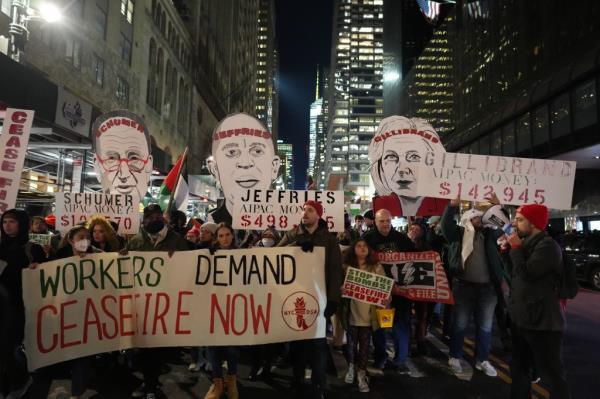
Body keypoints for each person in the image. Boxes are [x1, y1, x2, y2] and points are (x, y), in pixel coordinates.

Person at [278, 200, 343, 399]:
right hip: (295, 296)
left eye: (310, 210)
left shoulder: (329, 240)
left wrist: (333, 300)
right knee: (297, 345)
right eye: (304, 210)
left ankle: (319, 385)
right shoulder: (292, 234)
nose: (305, 213)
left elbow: (334, 270)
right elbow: (275, 255)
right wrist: (295, 246)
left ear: (319, 215)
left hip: (320, 299)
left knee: (318, 346)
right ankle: (297, 380)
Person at [125, 204, 189, 399]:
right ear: (144, 220)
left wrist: (178, 259)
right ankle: (149, 380)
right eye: (149, 217)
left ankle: (151, 385)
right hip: (141, 304)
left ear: (163, 217)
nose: (153, 220)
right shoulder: (135, 242)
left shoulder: (177, 241)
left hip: (165, 305)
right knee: (141, 348)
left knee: (157, 348)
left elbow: (189, 266)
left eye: (156, 216)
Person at [507, 204, 570, 398]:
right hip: (523, 320)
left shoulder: (548, 246)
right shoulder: (527, 242)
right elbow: (514, 274)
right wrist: (507, 251)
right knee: (519, 371)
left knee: (551, 376)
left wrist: (516, 248)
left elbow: (528, 273)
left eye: (520, 220)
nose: (515, 223)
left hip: (543, 324)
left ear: (533, 223)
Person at [29, 226, 101, 399]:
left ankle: (77, 392)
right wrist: (37, 268)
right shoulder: (60, 256)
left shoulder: (99, 257)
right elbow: (48, 274)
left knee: (82, 354)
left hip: (87, 312)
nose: (85, 240)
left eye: (88, 237)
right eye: (81, 237)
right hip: (63, 313)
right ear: (71, 240)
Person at [440, 196, 506, 378]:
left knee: (485, 327)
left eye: (482, 217)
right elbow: (445, 227)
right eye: (476, 217)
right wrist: (452, 206)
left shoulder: (490, 235)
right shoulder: (459, 234)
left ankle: (482, 359)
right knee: (459, 324)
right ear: (468, 220)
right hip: (463, 287)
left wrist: (497, 205)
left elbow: (503, 222)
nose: (480, 220)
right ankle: (455, 356)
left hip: (488, 289)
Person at [0, 209, 45, 399]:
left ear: (22, 224)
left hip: (19, 306)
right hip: (1, 304)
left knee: (9, 347)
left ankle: (20, 380)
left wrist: (39, 268)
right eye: (4, 222)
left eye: (12, 222)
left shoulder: (33, 249)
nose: (7, 226)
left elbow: (47, 276)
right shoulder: (0, 247)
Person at [363, 209, 415, 373]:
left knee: (401, 326)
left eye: (387, 220)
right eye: (381, 221)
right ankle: (380, 358)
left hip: (400, 293)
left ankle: (400, 359)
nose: (385, 224)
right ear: (375, 222)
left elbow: (415, 260)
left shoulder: (402, 239)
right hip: (378, 291)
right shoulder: (367, 239)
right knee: (379, 327)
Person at [207, 113, 281, 224]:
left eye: (257, 151)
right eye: (232, 152)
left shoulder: (285, 228)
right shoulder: (210, 228)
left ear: (274, 167)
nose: (245, 163)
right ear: (214, 169)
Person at [369, 116, 448, 217]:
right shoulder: (382, 210)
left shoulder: (444, 207)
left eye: (414, 157)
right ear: (380, 166)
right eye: (391, 156)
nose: (402, 169)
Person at [340, 239, 386, 393]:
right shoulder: (346, 268)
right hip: (352, 313)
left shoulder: (376, 267)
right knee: (351, 345)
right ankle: (352, 368)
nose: (362, 248)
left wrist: (386, 298)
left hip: (368, 315)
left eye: (365, 245)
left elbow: (385, 288)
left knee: (365, 346)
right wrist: (341, 289)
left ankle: (361, 373)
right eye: (359, 246)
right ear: (353, 250)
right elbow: (339, 287)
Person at [204, 223, 240, 399]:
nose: (224, 238)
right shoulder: (208, 255)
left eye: (227, 235)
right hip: (213, 306)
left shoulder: (242, 256)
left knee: (232, 348)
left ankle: (232, 381)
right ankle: (217, 383)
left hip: (234, 307)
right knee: (213, 347)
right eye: (220, 236)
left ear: (232, 236)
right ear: (216, 238)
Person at [92, 110, 153, 204]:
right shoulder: (92, 218)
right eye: (111, 159)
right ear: (97, 166)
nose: (123, 175)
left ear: (149, 164)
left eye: (134, 158)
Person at [407, 222, 435, 356]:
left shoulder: (427, 246)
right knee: (405, 315)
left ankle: (420, 340)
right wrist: (409, 242)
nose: (414, 231)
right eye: (412, 228)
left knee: (421, 315)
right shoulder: (404, 242)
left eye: (417, 229)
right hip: (406, 284)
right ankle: (406, 343)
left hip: (421, 284)